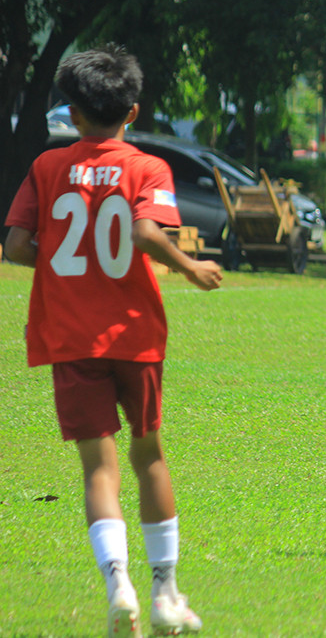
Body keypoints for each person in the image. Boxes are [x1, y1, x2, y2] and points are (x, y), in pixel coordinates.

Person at [4, 45, 221, 637]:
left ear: (71, 114)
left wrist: (66, 261)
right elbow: (147, 231)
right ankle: (165, 591)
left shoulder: (48, 168)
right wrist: (189, 267)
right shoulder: (147, 167)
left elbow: (16, 247)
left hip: (70, 337)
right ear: (133, 110)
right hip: (134, 334)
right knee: (148, 454)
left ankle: (116, 582)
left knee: (98, 471)